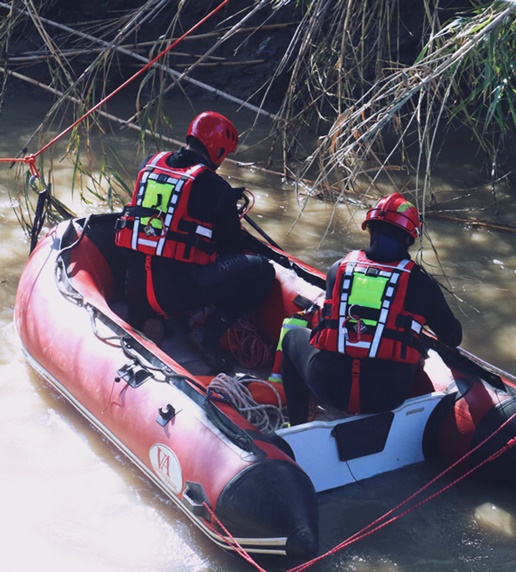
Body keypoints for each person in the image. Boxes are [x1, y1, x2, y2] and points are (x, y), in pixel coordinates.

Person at [281, 192, 462, 425]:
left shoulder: (338, 270)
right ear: (410, 238)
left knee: (291, 338)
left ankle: (296, 425)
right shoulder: (421, 283)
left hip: (329, 388)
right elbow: (453, 337)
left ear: (370, 230)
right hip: (387, 397)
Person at [114, 110, 275, 371]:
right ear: (219, 150)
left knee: (160, 266)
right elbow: (230, 245)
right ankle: (208, 332)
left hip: (134, 288)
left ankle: (151, 320)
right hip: (176, 293)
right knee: (262, 269)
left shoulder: (150, 163)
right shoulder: (215, 186)